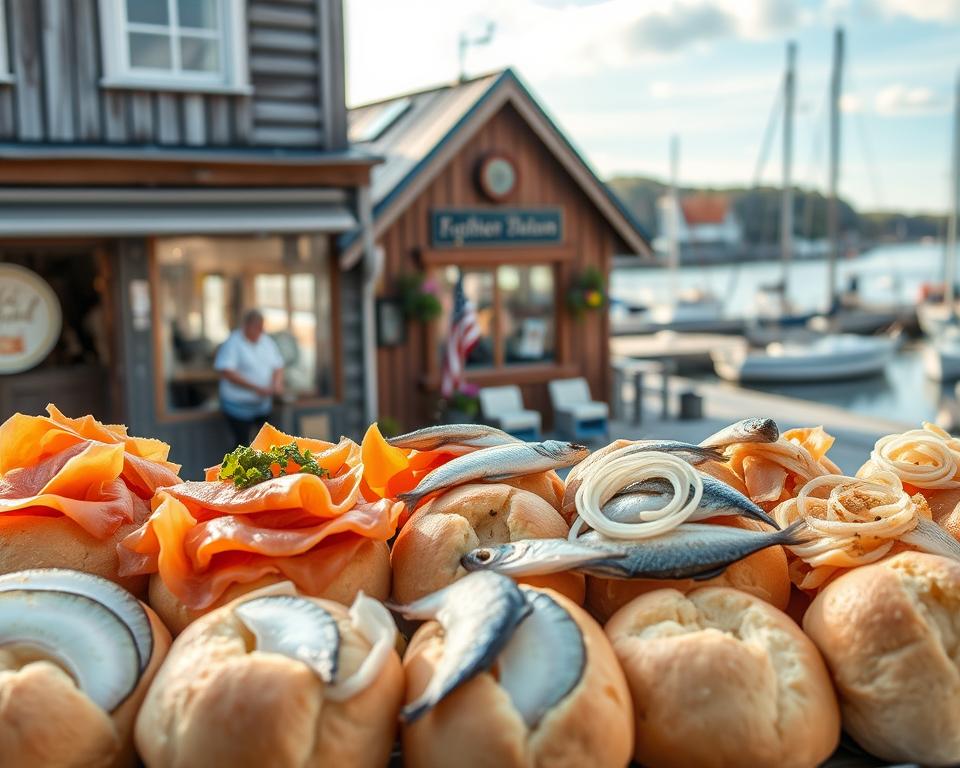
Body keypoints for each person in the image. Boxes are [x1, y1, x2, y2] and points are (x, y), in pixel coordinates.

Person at [214, 309, 284, 447]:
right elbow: (227, 371)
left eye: (261, 328)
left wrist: (277, 384)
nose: (259, 331)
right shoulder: (233, 342)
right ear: (246, 326)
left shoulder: (266, 341)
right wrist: (256, 388)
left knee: (266, 443)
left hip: (262, 405)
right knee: (242, 445)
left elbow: (278, 365)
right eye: (256, 327)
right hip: (237, 407)